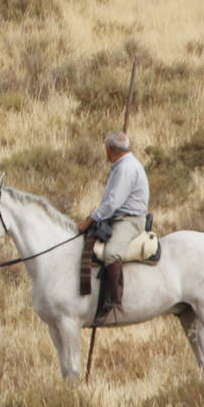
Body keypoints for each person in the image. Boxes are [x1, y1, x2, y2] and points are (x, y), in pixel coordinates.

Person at [76, 131, 149, 320]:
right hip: (115, 217)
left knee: (111, 253)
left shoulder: (126, 169)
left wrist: (89, 220)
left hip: (129, 220)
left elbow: (112, 203)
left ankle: (115, 303)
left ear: (109, 149)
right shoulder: (121, 165)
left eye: (105, 149)